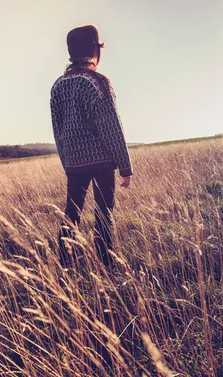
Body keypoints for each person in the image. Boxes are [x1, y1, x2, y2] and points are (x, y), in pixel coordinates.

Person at [50, 24, 133, 268]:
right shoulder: (97, 82)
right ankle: (106, 263)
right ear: (95, 52)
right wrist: (125, 166)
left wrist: (67, 163)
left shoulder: (58, 86)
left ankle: (65, 263)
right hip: (102, 162)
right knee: (104, 214)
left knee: (71, 214)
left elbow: (58, 130)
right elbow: (111, 127)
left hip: (74, 163)